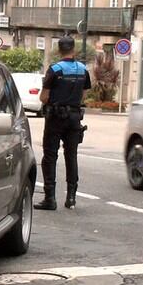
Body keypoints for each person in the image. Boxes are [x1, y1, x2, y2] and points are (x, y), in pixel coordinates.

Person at [36, 35, 91, 210]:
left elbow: (44, 97)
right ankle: (71, 198)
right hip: (75, 118)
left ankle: (50, 198)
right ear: (73, 49)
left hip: (55, 118)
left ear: (59, 50)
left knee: (50, 156)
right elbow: (84, 95)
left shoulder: (55, 70)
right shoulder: (83, 70)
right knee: (71, 155)